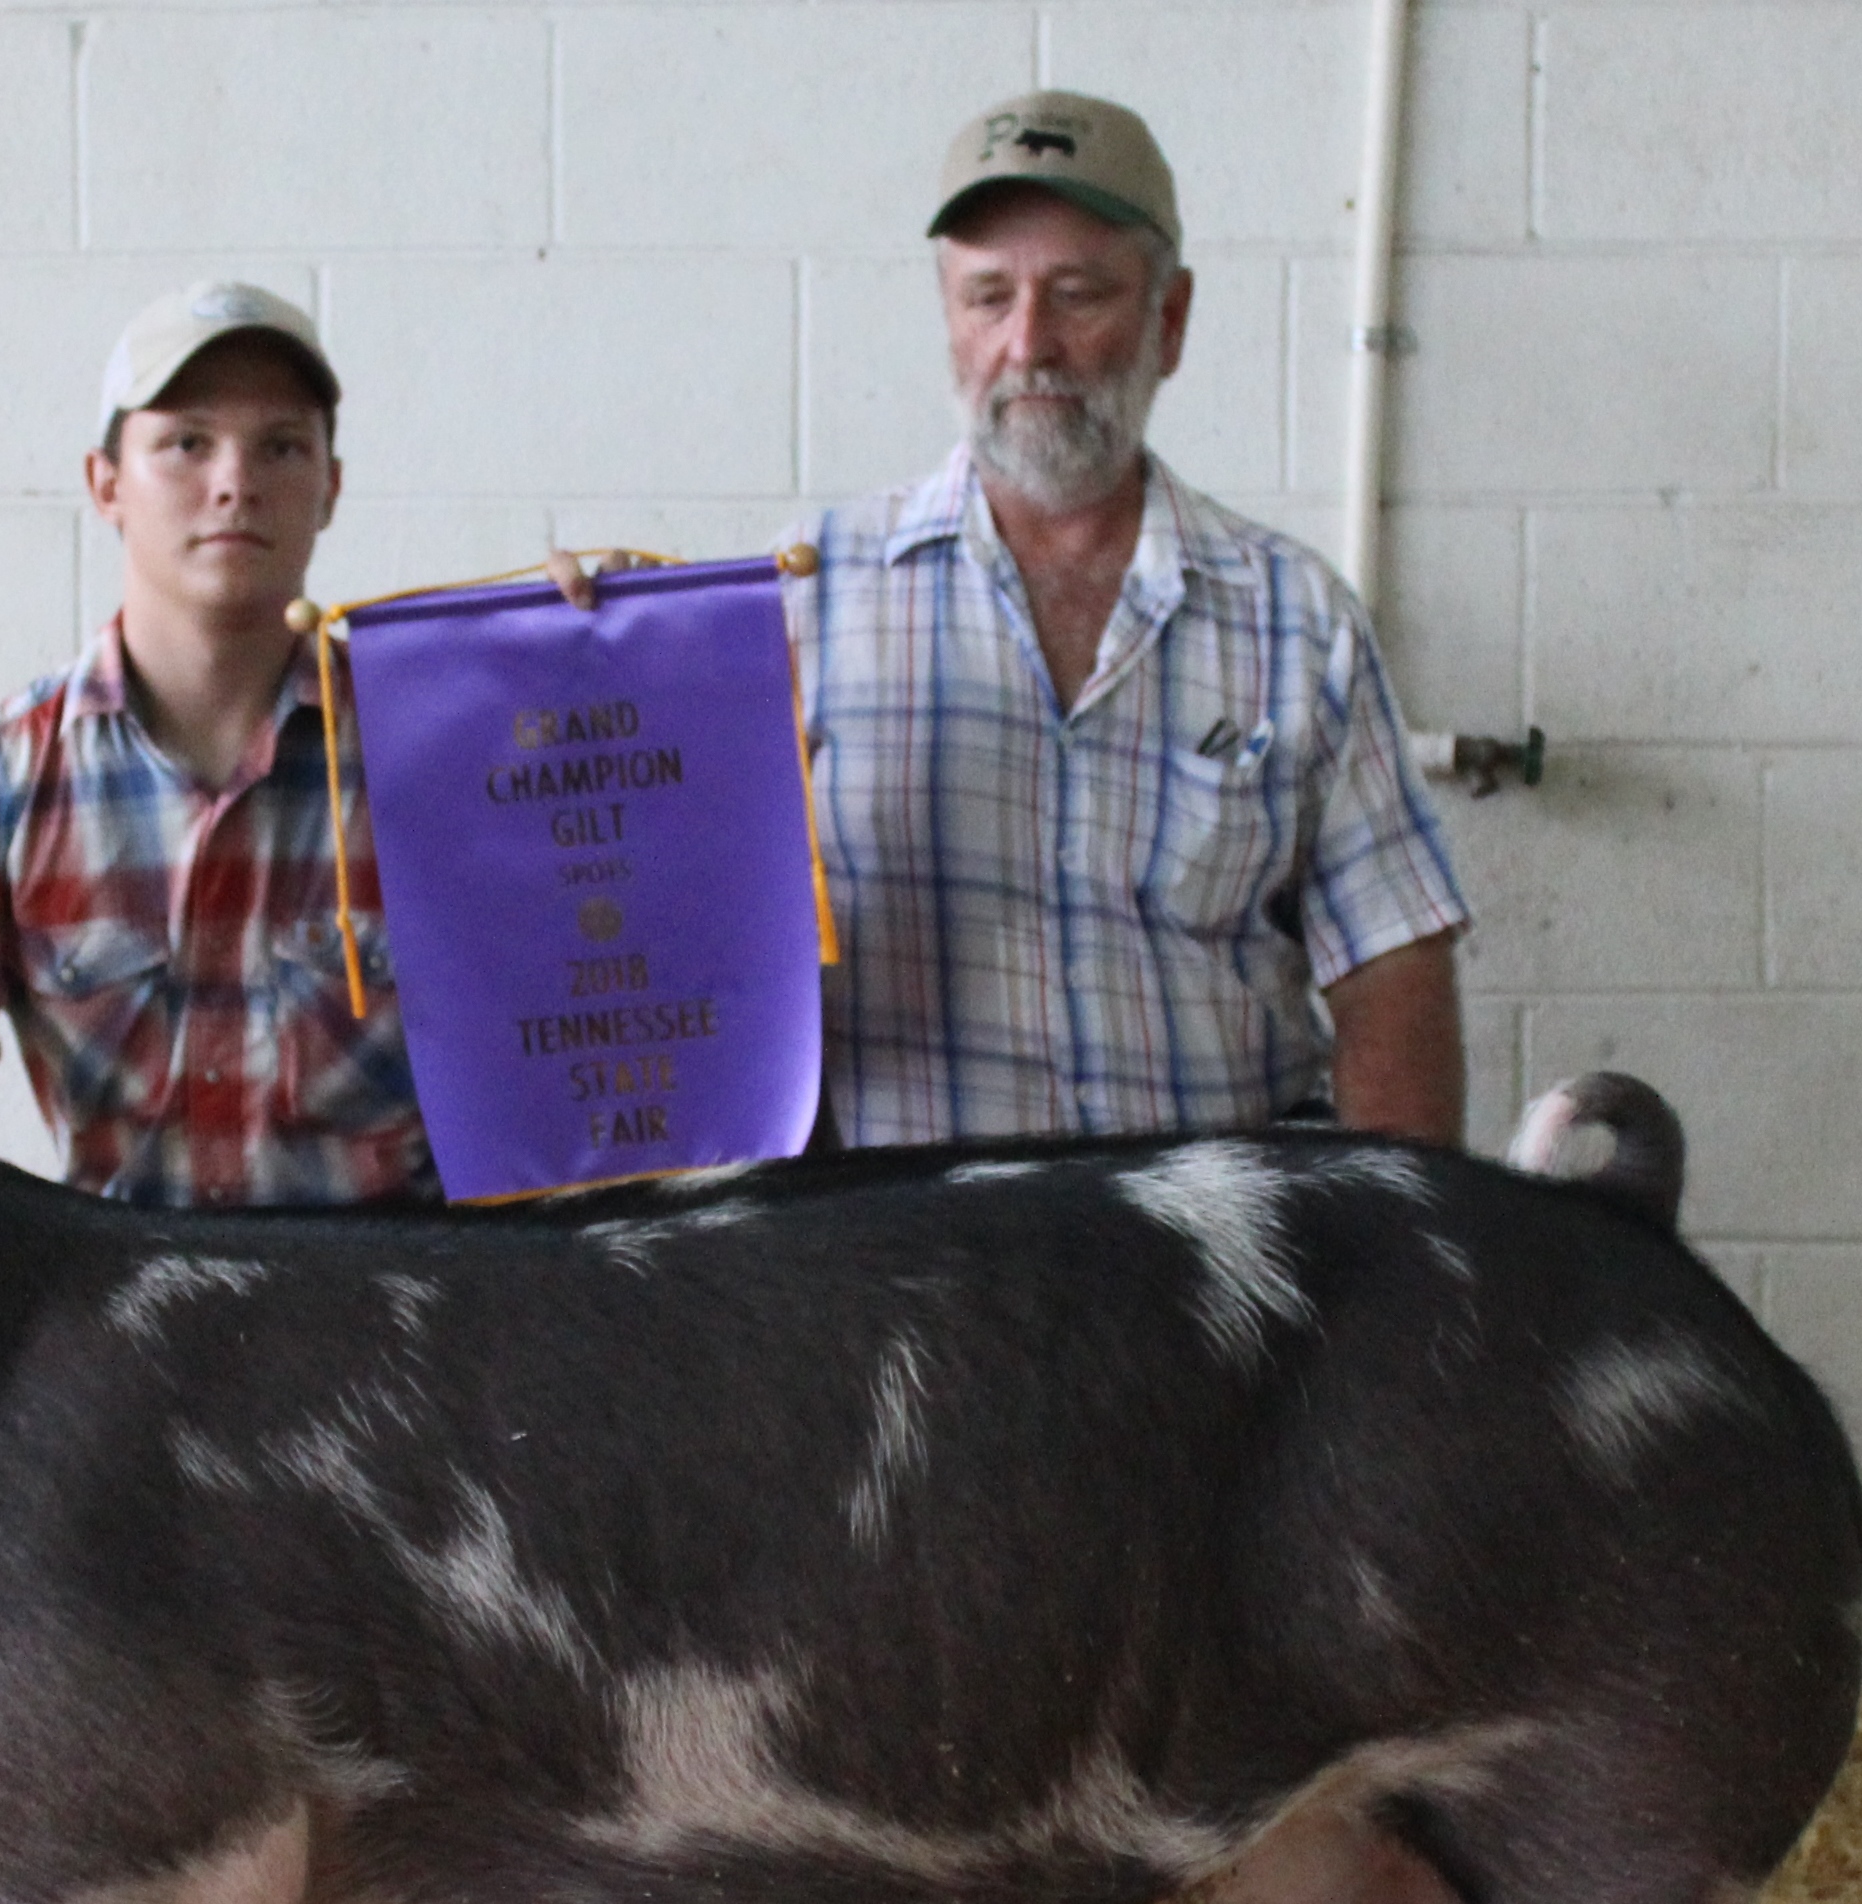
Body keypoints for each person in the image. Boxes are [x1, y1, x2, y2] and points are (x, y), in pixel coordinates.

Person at [561, 91, 1469, 1149]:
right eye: (988, 298)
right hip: (905, 1271)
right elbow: (651, 929)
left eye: (1078, 295)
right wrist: (591, 669)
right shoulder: (800, 597)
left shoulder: (1294, 620)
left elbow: (1390, 976)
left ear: (1167, 321)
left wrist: (1413, 1282)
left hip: (1210, 1269)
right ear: (948, 320)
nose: (1028, 344)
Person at [0, 283, 433, 1206]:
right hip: (123, 1332)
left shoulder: (450, 757)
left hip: (402, 1329)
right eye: (186, 443)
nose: (235, 481)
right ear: (105, 484)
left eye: (281, 445)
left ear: (330, 488)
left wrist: (619, 660)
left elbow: (597, 1063)